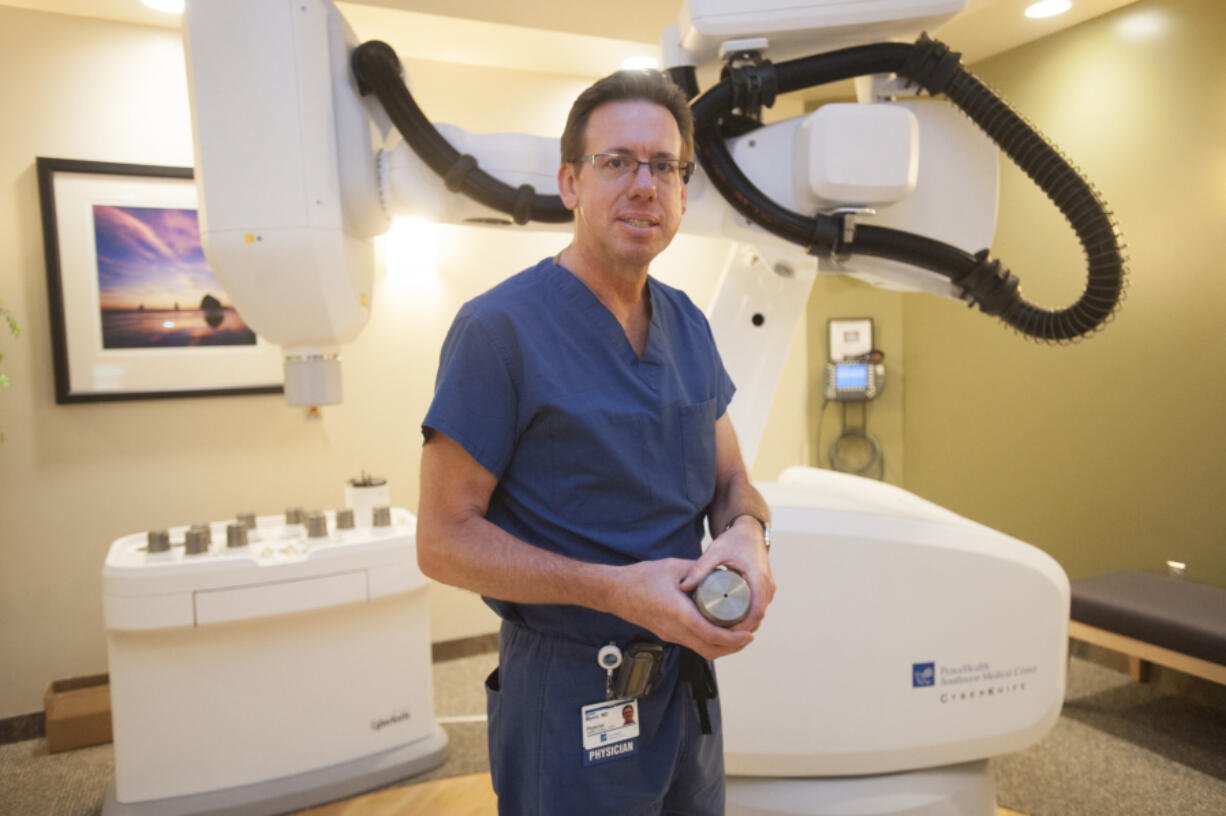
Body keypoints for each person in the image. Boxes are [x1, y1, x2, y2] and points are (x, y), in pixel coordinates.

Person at [417, 69, 774, 816]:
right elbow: (443, 541)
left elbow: (731, 479)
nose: (645, 185)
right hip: (573, 686)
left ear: (682, 189)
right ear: (570, 183)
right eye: (617, 162)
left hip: (686, 679)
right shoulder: (499, 331)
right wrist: (614, 590)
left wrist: (746, 534)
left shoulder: (688, 325)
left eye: (665, 167)